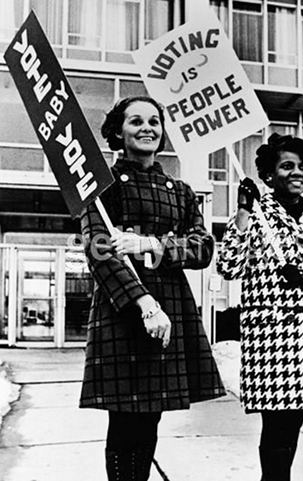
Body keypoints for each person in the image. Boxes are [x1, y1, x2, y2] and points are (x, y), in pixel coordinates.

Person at [79, 95, 226, 481]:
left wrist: (153, 244)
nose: (147, 128)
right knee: (125, 420)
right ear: (118, 131)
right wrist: (144, 303)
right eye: (136, 121)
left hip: (172, 307)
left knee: (151, 420)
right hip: (123, 311)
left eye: (154, 122)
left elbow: (203, 247)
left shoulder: (180, 191)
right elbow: (99, 251)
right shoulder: (101, 188)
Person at [216, 133, 303, 481]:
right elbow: (229, 266)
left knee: (293, 423)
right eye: (287, 166)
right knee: (276, 425)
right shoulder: (256, 217)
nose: (297, 172)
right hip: (271, 338)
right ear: (268, 175)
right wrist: (243, 212)